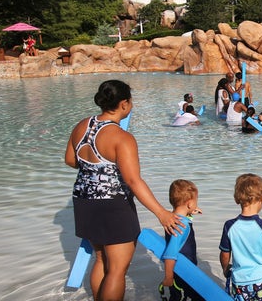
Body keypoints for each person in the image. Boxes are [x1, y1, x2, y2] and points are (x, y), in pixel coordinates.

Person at [64, 80, 183, 300]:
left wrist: (94, 171)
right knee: (117, 270)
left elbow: (71, 160)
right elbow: (133, 181)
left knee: (101, 260)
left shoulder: (82, 125)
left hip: (83, 202)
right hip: (112, 206)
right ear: (124, 104)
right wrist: (162, 213)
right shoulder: (122, 138)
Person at [219, 174, 262, 301]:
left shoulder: (229, 226)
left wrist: (225, 269)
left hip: (240, 283)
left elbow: (225, 254)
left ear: (236, 199)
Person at [160, 180, 204, 301]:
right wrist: (168, 277)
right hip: (182, 273)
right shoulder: (181, 225)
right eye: (196, 201)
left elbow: (183, 216)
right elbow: (170, 253)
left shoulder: (173, 218)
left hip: (180, 271)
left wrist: (190, 213)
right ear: (189, 203)